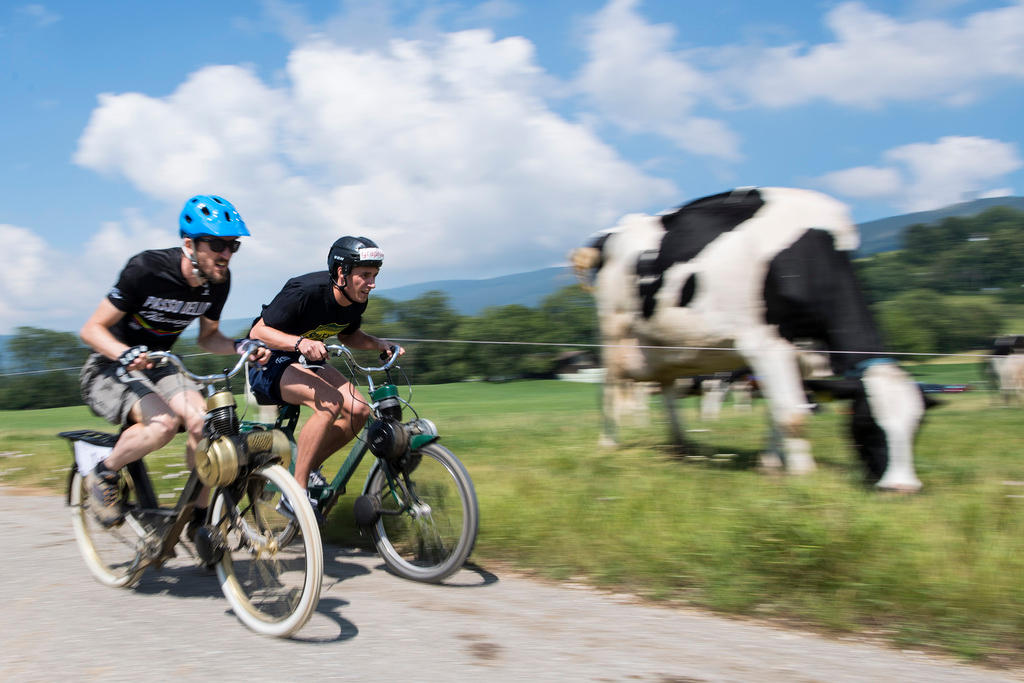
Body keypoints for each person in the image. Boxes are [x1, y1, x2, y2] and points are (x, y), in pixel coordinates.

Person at [79, 194, 271, 529]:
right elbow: (91, 329)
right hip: (109, 364)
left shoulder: (218, 282)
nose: (226, 255)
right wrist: (124, 353)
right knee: (164, 425)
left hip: (159, 364)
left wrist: (242, 345)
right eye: (217, 244)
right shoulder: (147, 269)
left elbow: (208, 337)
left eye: (232, 246)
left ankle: (198, 519)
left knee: (204, 424)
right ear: (189, 244)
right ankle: (103, 473)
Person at [247, 236, 403, 522]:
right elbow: (258, 332)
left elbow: (348, 335)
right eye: (365, 275)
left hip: (305, 359)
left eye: (375, 275)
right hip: (267, 361)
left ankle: (305, 469)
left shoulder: (355, 300)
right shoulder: (304, 291)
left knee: (359, 410)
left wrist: (380, 344)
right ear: (342, 273)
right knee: (330, 402)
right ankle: (295, 494)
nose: (371, 284)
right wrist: (300, 343)